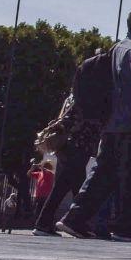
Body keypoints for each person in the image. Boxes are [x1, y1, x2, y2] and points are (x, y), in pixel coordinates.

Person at [59, 7, 131, 243]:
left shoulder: (117, 49)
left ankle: (75, 219)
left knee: (102, 174)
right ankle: (127, 227)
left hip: (112, 122)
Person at [31, 91, 99, 236]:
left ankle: (77, 221)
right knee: (64, 185)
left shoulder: (73, 95)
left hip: (65, 144)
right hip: (79, 144)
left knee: (75, 185)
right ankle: (48, 223)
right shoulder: (88, 96)